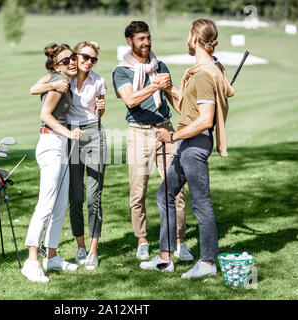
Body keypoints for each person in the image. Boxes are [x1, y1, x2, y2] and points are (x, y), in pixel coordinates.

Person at [148, 19, 234, 277]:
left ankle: (208, 262)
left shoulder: (205, 74)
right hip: (188, 142)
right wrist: (169, 89)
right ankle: (165, 257)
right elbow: (187, 109)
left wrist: (171, 137)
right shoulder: (209, 68)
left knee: (201, 204)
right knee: (165, 194)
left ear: (195, 38)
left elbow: (205, 120)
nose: (187, 38)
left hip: (194, 145)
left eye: (188, 34)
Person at [112, 21, 193, 262]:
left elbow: (177, 102)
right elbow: (130, 100)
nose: (146, 42)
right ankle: (143, 240)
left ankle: (180, 241)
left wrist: (173, 90)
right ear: (130, 41)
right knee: (138, 191)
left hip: (165, 130)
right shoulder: (121, 70)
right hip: (139, 133)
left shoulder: (161, 66)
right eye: (141, 39)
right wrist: (154, 85)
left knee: (176, 189)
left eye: (148, 38)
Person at [30, 41, 107, 270]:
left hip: (85, 135)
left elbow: (100, 110)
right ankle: (71, 248)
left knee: (87, 198)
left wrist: (101, 108)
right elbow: (35, 91)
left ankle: (82, 252)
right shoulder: (63, 78)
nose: (87, 62)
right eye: (83, 57)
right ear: (74, 56)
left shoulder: (95, 80)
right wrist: (69, 133)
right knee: (70, 198)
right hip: (64, 137)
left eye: (93, 59)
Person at [21, 43, 84, 283]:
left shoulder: (59, 78)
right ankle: (31, 261)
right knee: (46, 205)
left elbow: (35, 87)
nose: (71, 62)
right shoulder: (59, 82)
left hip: (60, 146)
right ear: (56, 65)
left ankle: (53, 257)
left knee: (59, 207)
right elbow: (44, 115)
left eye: (72, 58)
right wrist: (69, 134)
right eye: (65, 60)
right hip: (51, 145)